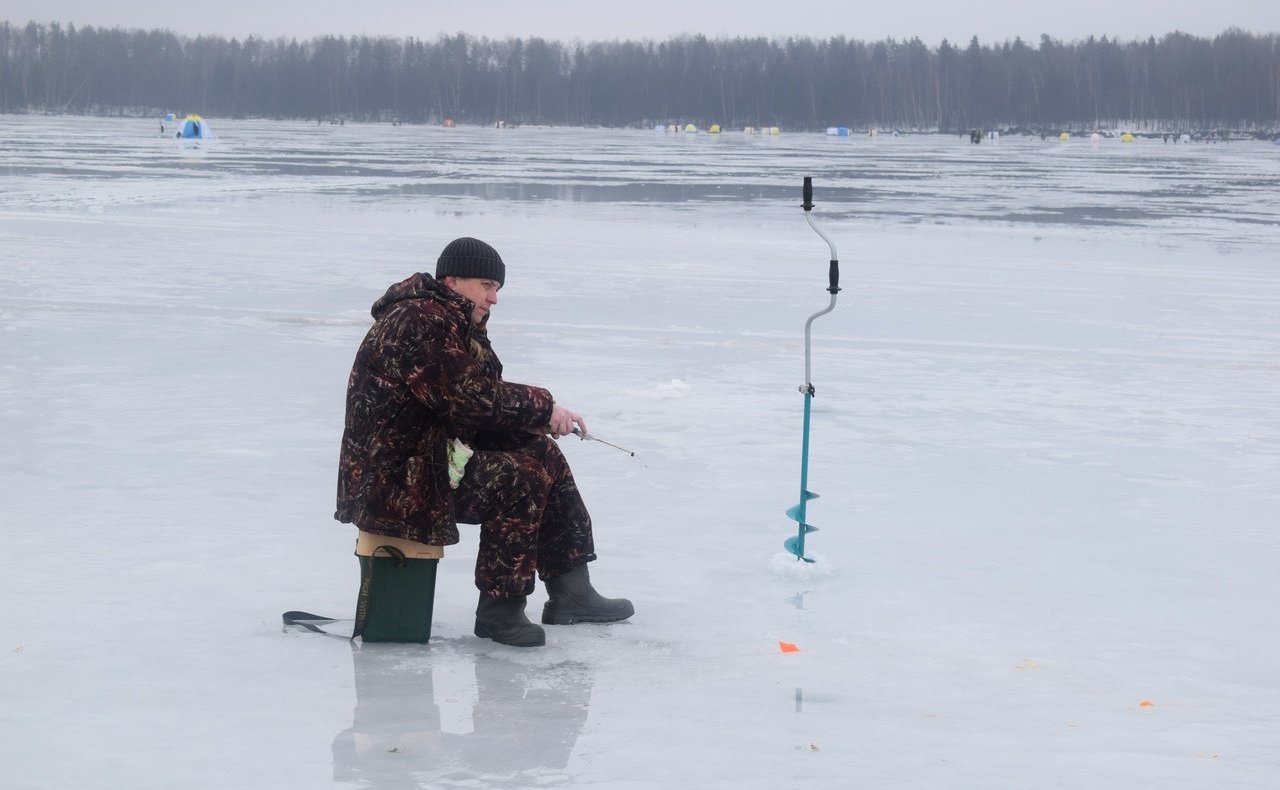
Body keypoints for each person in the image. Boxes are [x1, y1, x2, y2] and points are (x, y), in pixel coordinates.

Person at [335, 237, 633, 647]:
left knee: (541, 454)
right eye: (487, 285)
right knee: (519, 478)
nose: (494, 298)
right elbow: (467, 398)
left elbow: (474, 402)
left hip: (430, 460)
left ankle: (571, 593)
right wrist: (543, 409)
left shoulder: (454, 321)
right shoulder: (418, 320)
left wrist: (534, 425)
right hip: (397, 481)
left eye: (497, 289)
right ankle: (500, 611)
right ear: (453, 281)